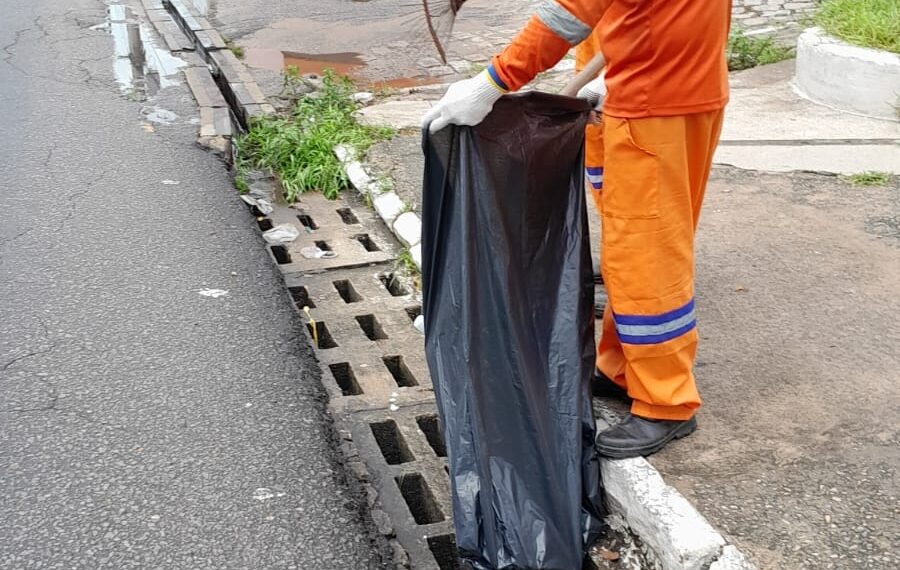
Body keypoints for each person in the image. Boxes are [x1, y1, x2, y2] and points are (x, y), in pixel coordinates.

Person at [423, 0, 731, 458]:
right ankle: (622, 369)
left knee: (645, 259)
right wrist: (622, 61)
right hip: (677, 88)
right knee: (638, 248)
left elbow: (566, 16)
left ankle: (666, 400)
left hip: (654, 105)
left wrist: (492, 82)